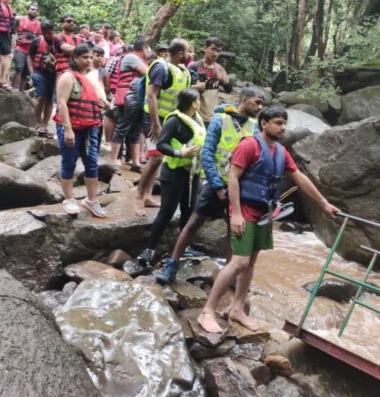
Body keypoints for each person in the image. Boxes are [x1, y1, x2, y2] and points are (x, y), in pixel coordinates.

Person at [196, 106, 339, 333]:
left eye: (284, 124)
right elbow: (233, 178)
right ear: (264, 123)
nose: (283, 128)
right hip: (244, 211)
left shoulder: (281, 152)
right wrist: (235, 213)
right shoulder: (249, 145)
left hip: (264, 213)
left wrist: (323, 204)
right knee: (239, 262)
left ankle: (237, 309)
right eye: (278, 123)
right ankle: (208, 311)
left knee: (251, 262)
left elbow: (299, 178)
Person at [156, 86, 265, 285]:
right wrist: (216, 185)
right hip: (216, 183)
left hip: (239, 187)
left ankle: (229, 275)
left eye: (262, 103)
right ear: (244, 99)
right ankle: (171, 265)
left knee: (234, 231)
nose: (260, 107)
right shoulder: (219, 120)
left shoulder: (254, 126)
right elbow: (207, 154)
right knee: (193, 224)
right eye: (257, 102)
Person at [137, 88, 204, 266]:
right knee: (166, 212)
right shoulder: (174, 120)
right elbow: (161, 144)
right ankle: (148, 250)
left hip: (192, 174)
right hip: (174, 173)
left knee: (188, 211)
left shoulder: (196, 119)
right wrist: (179, 153)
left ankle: (184, 248)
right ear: (192, 102)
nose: (200, 102)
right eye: (198, 100)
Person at [135, 38, 195, 216]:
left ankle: (147, 195)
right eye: (189, 51)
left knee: (158, 159)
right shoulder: (161, 68)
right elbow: (151, 96)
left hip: (169, 119)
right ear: (180, 53)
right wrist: (155, 124)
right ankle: (138, 197)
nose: (192, 54)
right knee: (156, 158)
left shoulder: (183, 71)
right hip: (153, 117)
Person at [54, 44, 107, 218]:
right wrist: (67, 129)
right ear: (75, 58)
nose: (89, 61)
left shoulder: (89, 78)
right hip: (71, 127)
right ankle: (69, 199)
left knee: (91, 162)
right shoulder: (68, 77)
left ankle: (91, 200)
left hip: (89, 127)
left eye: (91, 57)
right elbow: (61, 103)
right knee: (69, 162)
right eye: (85, 57)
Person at [108, 37, 150, 170]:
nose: (149, 51)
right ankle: (114, 159)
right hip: (128, 97)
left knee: (136, 130)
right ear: (143, 48)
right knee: (122, 127)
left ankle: (135, 161)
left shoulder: (140, 59)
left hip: (137, 98)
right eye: (148, 48)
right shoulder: (132, 57)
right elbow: (148, 73)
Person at [188, 37, 231, 123]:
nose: (215, 53)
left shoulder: (219, 69)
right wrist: (195, 87)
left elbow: (228, 90)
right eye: (213, 49)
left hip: (212, 116)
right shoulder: (195, 67)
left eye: (218, 51)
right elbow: (183, 89)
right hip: (194, 116)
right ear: (205, 48)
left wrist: (226, 82)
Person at [28, 20, 58, 136]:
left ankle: (45, 125)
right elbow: (30, 57)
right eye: (44, 31)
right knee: (40, 97)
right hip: (39, 73)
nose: (46, 34)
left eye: (49, 32)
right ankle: (37, 123)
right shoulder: (36, 41)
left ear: (53, 30)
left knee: (49, 100)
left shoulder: (58, 42)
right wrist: (32, 73)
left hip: (53, 74)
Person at [12, 2, 42, 90]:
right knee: (19, 67)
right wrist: (14, 37)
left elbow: (40, 37)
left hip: (30, 51)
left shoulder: (39, 24)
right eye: (32, 9)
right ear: (28, 10)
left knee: (26, 72)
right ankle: (14, 87)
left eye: (36, 10)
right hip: (20, 48)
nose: (34, 11)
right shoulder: (21, 19)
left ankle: (21, 90)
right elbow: (11, 21)